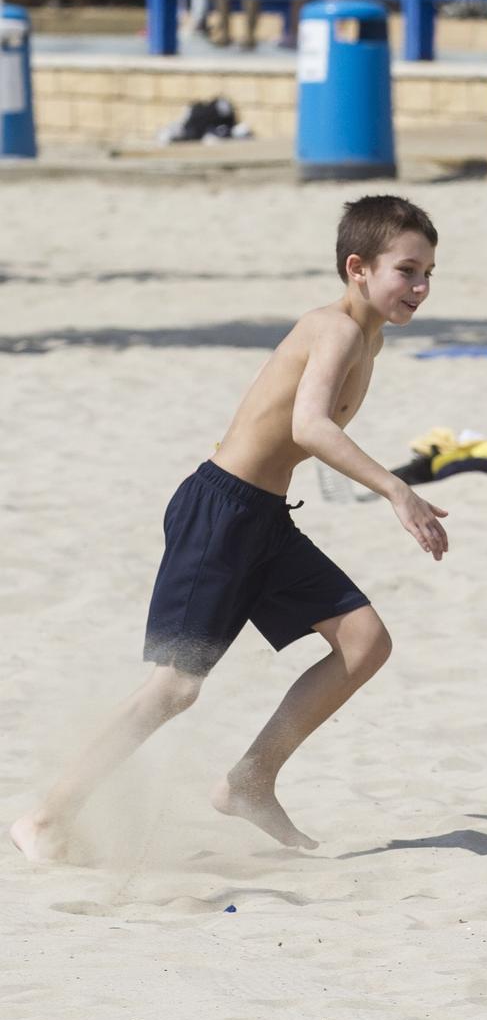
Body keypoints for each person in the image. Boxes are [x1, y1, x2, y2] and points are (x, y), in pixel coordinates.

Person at [9, 197, 448, 863]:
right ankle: (46, 814)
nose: (420, 288)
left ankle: (251, 779)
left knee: (364, 640)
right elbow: (309, 426)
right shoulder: (333, 329)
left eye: (429, 274)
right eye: (408, 271)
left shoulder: (371, 334)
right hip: (221, 512)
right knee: (174, 688)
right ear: (358, 268)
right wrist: (395, 489)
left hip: (263, 519)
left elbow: (301, 433)